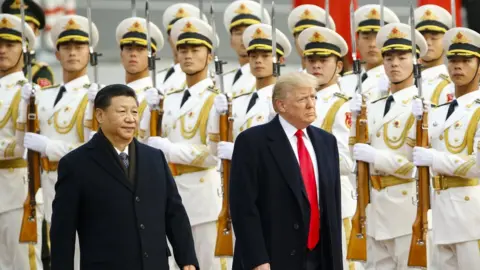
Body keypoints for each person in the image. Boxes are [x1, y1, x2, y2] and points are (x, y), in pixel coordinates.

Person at [49, 84, 198, 270]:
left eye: (134, 112)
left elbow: (174, 213)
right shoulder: (76, 164)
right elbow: (63, 230)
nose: (130, 119)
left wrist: (187, 259)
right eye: (121, 111)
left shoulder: (155, 158)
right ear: (100, 115)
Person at [230, 72, 343, 270]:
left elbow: (331, 205)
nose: (311, 104)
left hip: (320, 257)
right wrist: (257, 259)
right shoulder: (253, 142)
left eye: (313, 97)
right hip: (273, 256)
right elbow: (243, 207)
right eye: (302, 99)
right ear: (281, 105)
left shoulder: (326, 142)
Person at [143, 17, 227, 270]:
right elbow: (146, 141)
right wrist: (148, 110)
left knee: (207, 264)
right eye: (183, 50)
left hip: (201, 196)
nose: (188, 56)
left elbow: (214, 155)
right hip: (167, 193)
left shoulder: (216, 99)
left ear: (210, 56)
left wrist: (170, 150)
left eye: (195, 50)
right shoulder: (168, 98)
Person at [18, 14, 100, 270]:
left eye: (79, 47)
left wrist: (49, 147)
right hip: (47, 187)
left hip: (83, 186)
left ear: (90, 52)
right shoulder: (43, 95)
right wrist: (24, 105)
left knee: (82, 255)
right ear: (57, 53)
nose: (73, 53)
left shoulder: (95, 94)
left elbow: (95, 151)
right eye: (66, 47)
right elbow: (25, 142)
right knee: (57, 257)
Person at [350, 22, 427, 269]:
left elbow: (413, 168)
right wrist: (355, 123)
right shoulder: (372, 105)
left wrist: (376, 157)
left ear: (415, 62)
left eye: (402, 57)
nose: (394, 64)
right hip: (374, 210)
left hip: (406, 208)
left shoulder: (421, 106)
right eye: (389, 58)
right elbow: (355, 153)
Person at [413, 27, 480, 270]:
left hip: (471, 216)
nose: (457, 67)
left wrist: (434, 158)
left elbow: (477, 165)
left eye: (466, 60)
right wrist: (415, 124)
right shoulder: (438, 111)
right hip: (439, 215)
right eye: (453, 60)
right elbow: (415, 155)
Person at [298, 26, 357, 270]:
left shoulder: (343, 106)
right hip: (301, 200)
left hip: (332, 201)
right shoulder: (296, 102)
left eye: (323, 60)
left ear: (339, 66)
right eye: (311, 60)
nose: (316, 66)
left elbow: (345, 161)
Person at [0, 13, 43, 270]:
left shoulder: (28, 92)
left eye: (10, 44)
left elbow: (24, 145)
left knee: (22, 265)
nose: (2, 50)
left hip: (17, 193)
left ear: (24, 49)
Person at [214, 23, 291, 160]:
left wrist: (239, 152)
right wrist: (216, 115)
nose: (258, 61)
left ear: (280, 61)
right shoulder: (238, 100)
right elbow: (215, 146)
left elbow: (285, 154)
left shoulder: (286, 102)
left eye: (265, 56)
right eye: (253, 56)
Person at [339, 4, 399, 100]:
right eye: (366, 38)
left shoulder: (394, 80)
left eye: (377, 38)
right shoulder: (345, 81)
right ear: (357, 42)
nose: (372, 44)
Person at [2, 0, 55, 87]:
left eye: (25, 24)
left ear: (36, 31)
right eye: (14, 23)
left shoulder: (39, 72)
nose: (19, 28)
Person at [222, 0, 270, 94]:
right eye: (238, 33)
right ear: (230, 41)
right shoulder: (224, 79)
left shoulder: (267, 77)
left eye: (249, 32)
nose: (243, 38)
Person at [157, 3, 206, 93]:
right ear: (169, 39)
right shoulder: (158, 78)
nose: (183, 40)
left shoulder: (212, 78)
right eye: (176, 34)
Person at [414, 4, 454, 105]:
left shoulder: (452, 84)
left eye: (434, 37)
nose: (428, 43)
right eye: (422, 37)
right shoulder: (403, 77)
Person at [287, 4, 335, 71]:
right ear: (294, 41)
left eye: (314, 35)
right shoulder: (288, 80)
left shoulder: (344, 81)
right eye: (301, 36)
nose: (307, 42)